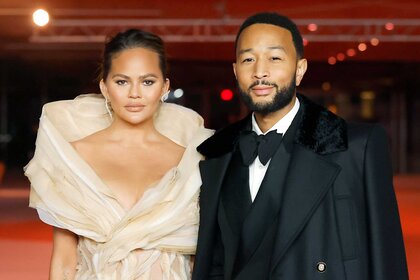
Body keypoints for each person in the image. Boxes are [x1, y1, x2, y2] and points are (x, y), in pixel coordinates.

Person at [192, 12, 409, 280]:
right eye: (248, 59)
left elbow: (386, 258)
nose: (260, 72)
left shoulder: (355, 147)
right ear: (236, 71)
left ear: (300, 69)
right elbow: (213, 260)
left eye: (275, 58)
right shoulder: (216, 153)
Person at [24, 29, 212, 279]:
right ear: (104, 87)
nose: (135, 93)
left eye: (148, 81)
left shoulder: (192, 160)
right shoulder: (74, 157)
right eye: (122, 81)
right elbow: (65, 260)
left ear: (165, 86)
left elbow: (199, 259)